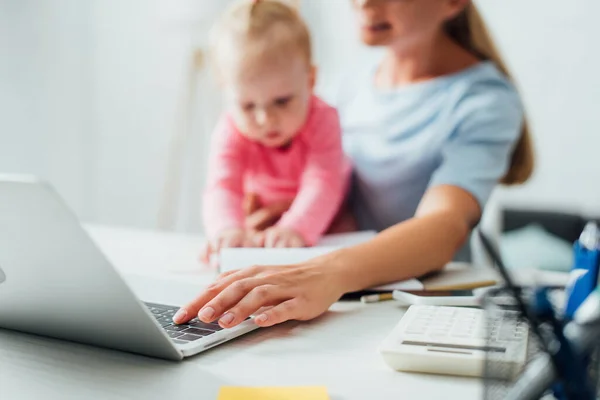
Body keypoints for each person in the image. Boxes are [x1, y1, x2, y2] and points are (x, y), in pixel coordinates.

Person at [174, 0, 534, 330]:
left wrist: (325, 270)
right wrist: (277, 218)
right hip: (332, 296)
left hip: (420, 311)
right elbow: (327, 180)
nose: (362, 3)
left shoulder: (484, 101)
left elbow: (445, 227)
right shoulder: (355, 78)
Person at [200, 0, 351, 262]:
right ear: (225, 92)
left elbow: (323, 182)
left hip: (326, 219)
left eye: (281, 101)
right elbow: (223, 185)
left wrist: (295, 227)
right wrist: (227, 229)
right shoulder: (231, 128)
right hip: (267, 220)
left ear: (311, 80)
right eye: (247, 105)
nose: (265, 118)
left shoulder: (323, 119)